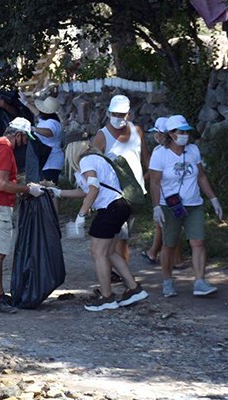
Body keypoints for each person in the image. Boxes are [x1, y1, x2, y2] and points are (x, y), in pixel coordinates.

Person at [51, 140, 149, 311]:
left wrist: (81, 214)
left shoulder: (85, 160)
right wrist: (59, 192)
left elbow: (93, 188)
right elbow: (86, 190)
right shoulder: (95, 158)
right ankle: (134, 289)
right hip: (120, 206)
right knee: (109, 252)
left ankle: (107, 297)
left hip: (109, 209)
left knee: (98, 252)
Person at [149, 115, 223, 297]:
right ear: (171, 134)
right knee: (169, 244)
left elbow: (201, 176)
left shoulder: (193, 150)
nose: (184, 135)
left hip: (193, 203)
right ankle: (167, 281)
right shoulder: (160, 154)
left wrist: (213, 199)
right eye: (180, 132)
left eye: (186, 132)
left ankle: (200, 281)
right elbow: (155, 182)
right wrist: (156, 206)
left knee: (198, 242)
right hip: (170, 205)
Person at [0, 118, 43, 313]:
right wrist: (27, 189)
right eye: (24, 139)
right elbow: (3, 184)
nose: (24, 144)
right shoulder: (5, 149)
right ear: (18, 135)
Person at [92, 95, 150, 264]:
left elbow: (147, 159)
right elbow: (94, 164)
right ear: (109, 113)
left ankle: (119, 272)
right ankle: (118, 273)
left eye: (121, 114)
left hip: (134, 195)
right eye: (114, 114)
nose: (117, 118)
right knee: (116, 235)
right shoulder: (102, 136)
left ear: (128, 115)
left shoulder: (137, 132)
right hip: (113, 197)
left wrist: (142, 182)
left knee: (123, 237)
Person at [141, 117, 184, 268]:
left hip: (166, 196)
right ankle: (156, 253)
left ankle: (172, 258)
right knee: (167, 225)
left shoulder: (159, 151)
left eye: (158, 133)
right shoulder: (179, 150)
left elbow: (153, 176)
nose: (156, 136)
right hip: (175, 194)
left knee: (168, 226)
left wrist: (139, 183)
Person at [30, 96, 64, 183]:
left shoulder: (52, 123)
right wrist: (25, 103)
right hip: (47, 159)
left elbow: (49, 132)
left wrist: (33, 129)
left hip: (52, 161)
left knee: (49, 187)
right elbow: (37, 114)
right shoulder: (46, 120)